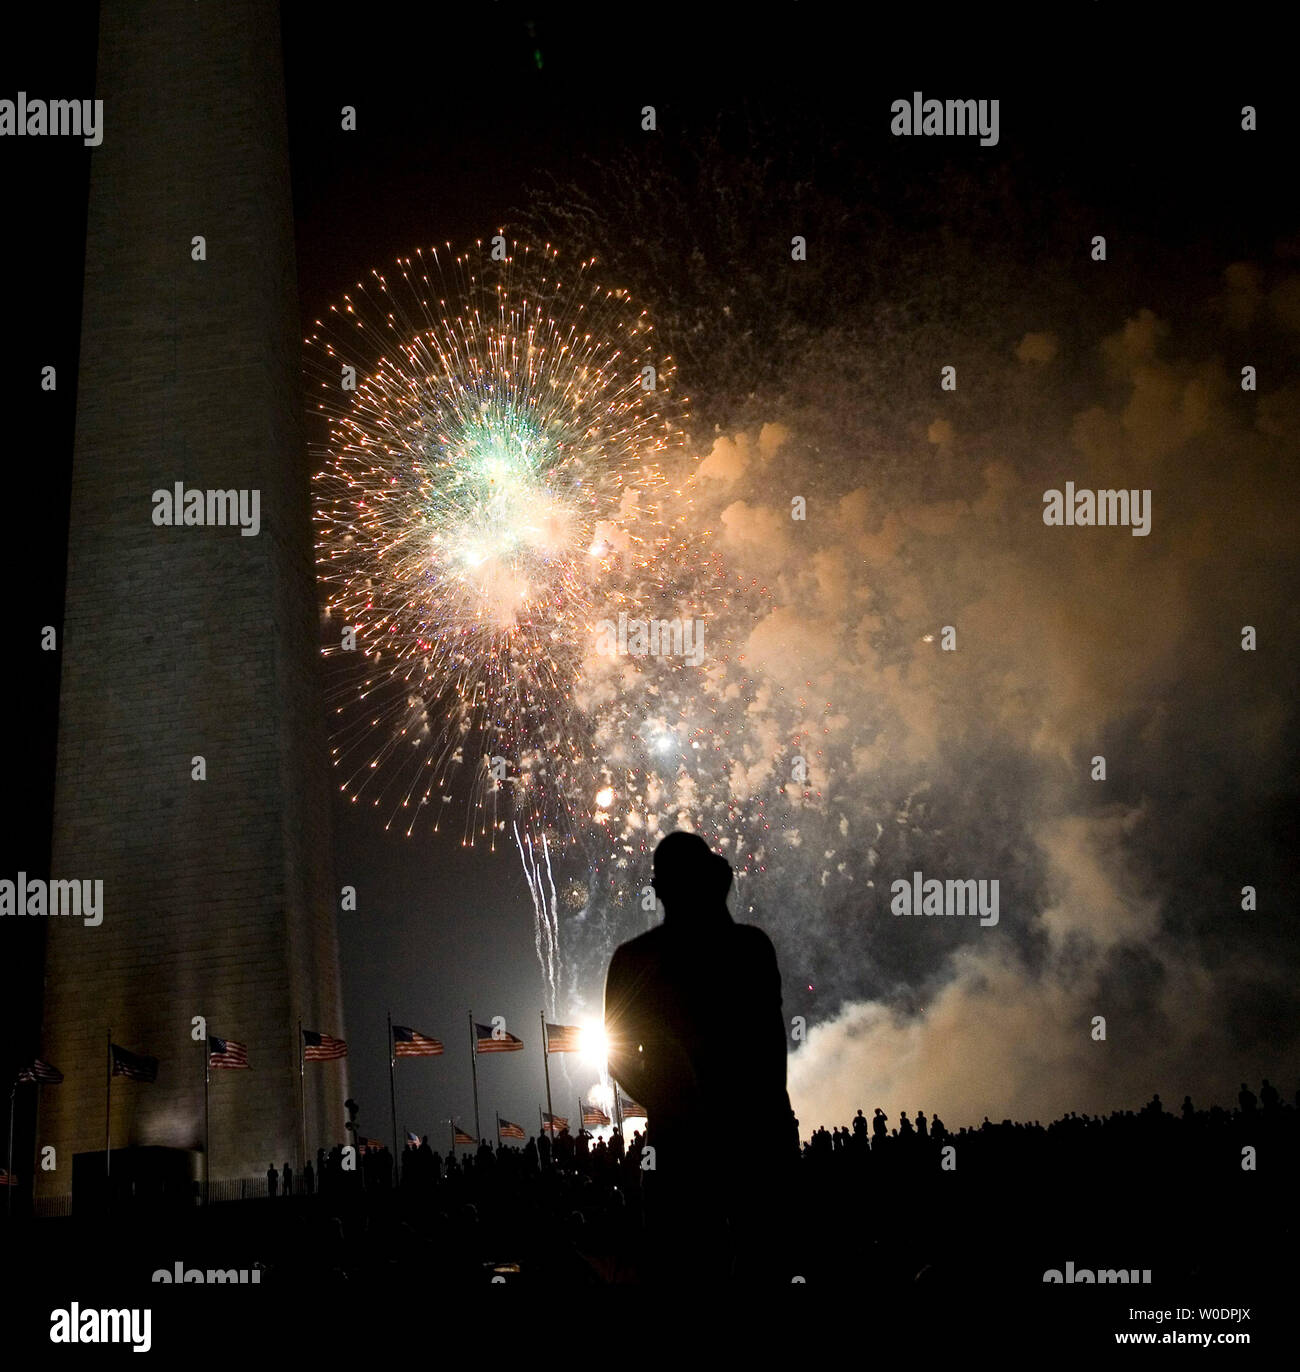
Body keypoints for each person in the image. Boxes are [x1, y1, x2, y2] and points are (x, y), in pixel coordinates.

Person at [604, 831, 798, 1281]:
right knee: (765, 1268)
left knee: (686, 1278)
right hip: (753, 1140)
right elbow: (772, 1050)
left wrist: (672, 1106)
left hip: (683, 1146)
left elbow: (618, 1057)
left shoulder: (635, 959)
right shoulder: (750, 948)